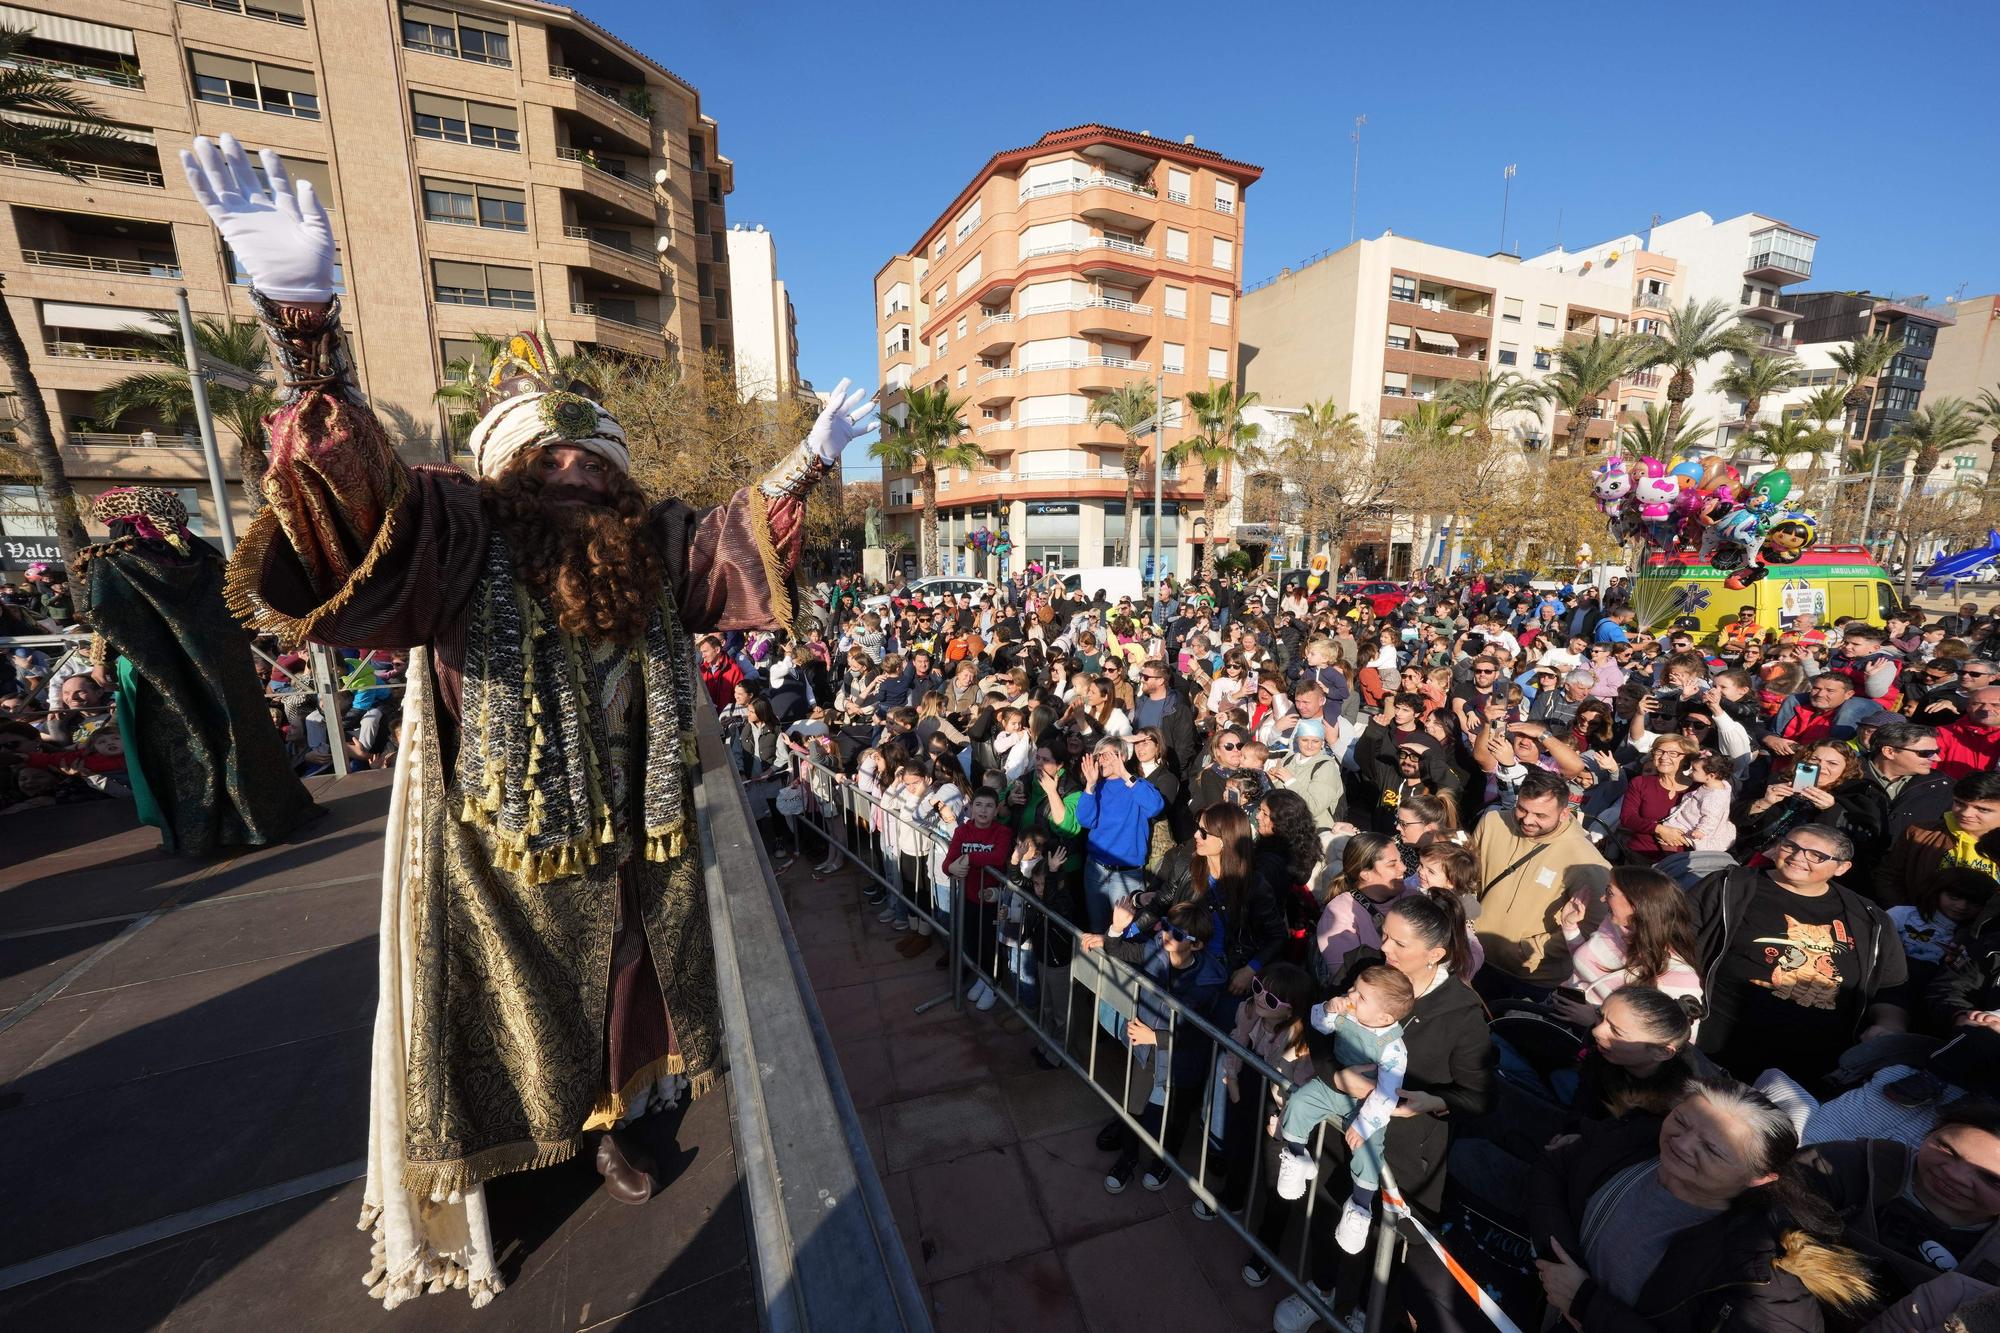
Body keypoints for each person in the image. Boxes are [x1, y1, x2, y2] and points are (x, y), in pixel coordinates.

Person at [182, 134, 878, 1306]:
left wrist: (801, 467)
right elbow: (364, 519)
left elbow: (718, 550)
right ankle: (523, 1153)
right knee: (506, 1013)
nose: (570, 467)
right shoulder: (460, 533)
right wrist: (308, 336)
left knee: (622, 992)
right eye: (545, 452)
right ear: (508, 469)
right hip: (500, 847)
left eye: (587, 455)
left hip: (635, 829)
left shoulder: (647, 545)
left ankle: (612, 1121)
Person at [75, 487, 319, 854]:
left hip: (158, 675)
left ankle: (201, 832)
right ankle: (263, 819)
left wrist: (100, 659)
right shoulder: (205, 556)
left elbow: (110, 618)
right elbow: (241, 616)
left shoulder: (113, 560)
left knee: (183, 747)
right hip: (224, 667)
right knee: (239, 737)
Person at [1528, 1079, 1879, 1333]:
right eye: (1680, 1120)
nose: (1681, 1143)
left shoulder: (1760, 1277)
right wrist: (1557, 1260)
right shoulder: (1637, 1139)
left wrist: (1587, 1304)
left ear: (1760, 1178)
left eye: (1712, 1149)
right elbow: (1555, 1165)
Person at [1687, 825, 1909, 1085]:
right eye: (1791, 846)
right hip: (1718, 1052)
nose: (1798, 857)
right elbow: (1674, 941)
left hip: (1814, 1068)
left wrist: (1890, 1025)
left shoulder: (1869, 918)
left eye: (1816, 855)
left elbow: (1892, 986)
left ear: (1842, 868)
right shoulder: (1728, 887)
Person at [1275, 965, 1416, 1256]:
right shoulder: (1346, 1012)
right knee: (1299, 1104)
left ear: (1384, 1017)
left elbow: (1388, 1092)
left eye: (1360, 996)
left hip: (1366, 1103)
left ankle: (1360, 1207)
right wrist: (1329, 1006)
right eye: (1352, 989)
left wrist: (1364, 1124)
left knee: (1368, 1149)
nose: (1350, 996)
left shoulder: (1393, 1048)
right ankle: (1296, 1156)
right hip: (1331, 1087)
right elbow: (1319, 1023)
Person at [1798, 1101, 2000, 1293]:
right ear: (1931, 1132)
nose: (1955, 1175)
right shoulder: (1846, 1164)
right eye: (1947, 1150)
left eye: (1991, 1179)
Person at [1468, 768, 1612, 999]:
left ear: (1565, 813)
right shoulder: (1493, 823)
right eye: (1522, 809)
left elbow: (1594, 924)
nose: (1527, 820)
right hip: (1475, 956)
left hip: (1530, 978)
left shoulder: (1587, 861)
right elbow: (1468, 876)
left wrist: (1529, 951)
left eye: (1540, 815)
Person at [1552, 865, 1704, 1026]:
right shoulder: (1613, 926)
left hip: (1591, 1043)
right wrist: (1569, 926)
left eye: (1610, 893)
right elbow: (1587, 964)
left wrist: (1595, 1021)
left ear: (1637, 904)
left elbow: (1674, 1041)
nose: (1603, 899)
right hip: (1555, 1013)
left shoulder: (1678, 975)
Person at [1072, 737, 1165, 929]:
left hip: (1126, 873)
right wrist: (1089, 786)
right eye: (1098, 757)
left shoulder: (1137, 784)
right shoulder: (1097, 786)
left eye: (1106, 756)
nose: (1101, 761)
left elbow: (1155, 807)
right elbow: (1085, 820)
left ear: (1122, 756)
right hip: (1095, 869)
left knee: (1126, 932)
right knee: (1097, 927)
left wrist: (1124, 773)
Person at [1873, 771, 2000, 907]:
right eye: (1960, 803)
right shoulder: (1920, 833)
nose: (1966, 813)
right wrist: (1908, 915)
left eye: (1982, 809)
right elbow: (1888, 878)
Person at [1936, 686, 2000, 778]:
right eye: (1977, 703)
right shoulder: (1943, 734)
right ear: (1968, 707)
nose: (1986, 708)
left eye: (1996, 705)